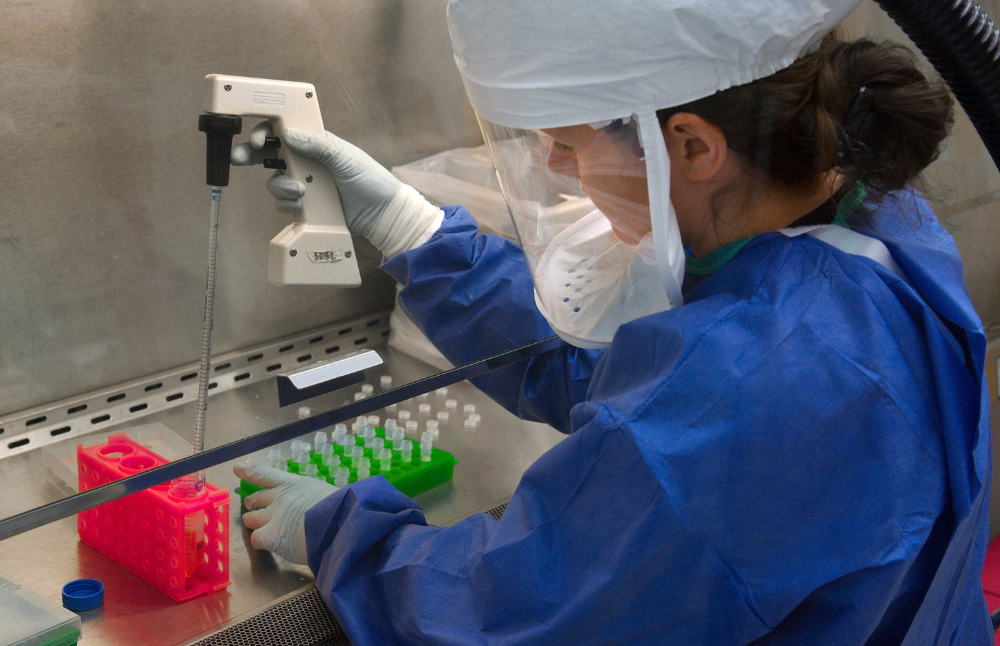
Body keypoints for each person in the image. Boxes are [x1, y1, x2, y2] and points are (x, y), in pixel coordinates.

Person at [233, 0, 993, 643]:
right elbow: (625, 367)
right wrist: (414, 233)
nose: (557, 168)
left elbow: (517, 613)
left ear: (691, 146)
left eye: (565, 144)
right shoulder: (855, 220)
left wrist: (344, 538)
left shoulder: (758, 382)